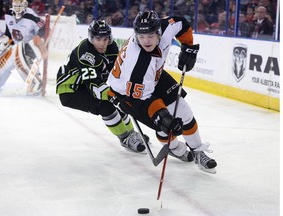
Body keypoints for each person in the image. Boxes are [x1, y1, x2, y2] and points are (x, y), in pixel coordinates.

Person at [107, 11, 217, 173]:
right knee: (165, 125)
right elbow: (141, 99)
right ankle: (173, 148)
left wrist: (189, 47)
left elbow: (181, 23)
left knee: (184, 112)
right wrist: (162, 116)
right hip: (127, 94)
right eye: (142, 36)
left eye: (151, 35)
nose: (146, 41)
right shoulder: (138, 63)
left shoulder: (165, 27)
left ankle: (198, 151)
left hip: (153, 76)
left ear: (159, 31)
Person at [56, 20, 147, 153]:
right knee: (106, 106)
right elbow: (94, 86)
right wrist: (114, 97)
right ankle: (125, 138)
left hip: (84, 84)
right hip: (70, 90)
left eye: (105, 39)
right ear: (91, 38)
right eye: (98, 39)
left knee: (119, 102)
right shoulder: (86, 54)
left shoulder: (112, 47)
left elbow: (116, 73)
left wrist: (123, 92)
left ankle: (132, 134)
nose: (102, 43)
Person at [0, 0, 47, 95]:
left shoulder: (32, 16)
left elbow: (44, 28)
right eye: (15, 5)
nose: (17, 8)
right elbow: (9, 32)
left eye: (19, 5)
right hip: (13, 46)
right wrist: (6, 39)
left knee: (31, 79)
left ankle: (35, 83)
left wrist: (40, 40)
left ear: (25, 5)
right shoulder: (8, 14)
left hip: (27, 48)